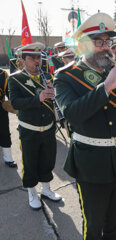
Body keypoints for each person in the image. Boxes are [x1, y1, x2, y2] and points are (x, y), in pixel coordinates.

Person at [54, 13, 116, 239]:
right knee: (93, 227)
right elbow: (72, 114)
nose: (106, 48)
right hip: (91, 164)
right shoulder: (65, 77)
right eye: (99, 42)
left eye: (108, 42)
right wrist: (106, 86)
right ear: (82, 45)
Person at [8, 42, 61, 210]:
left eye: (39, 57)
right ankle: (32, 192)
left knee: (48, 160)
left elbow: (54, 100)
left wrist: (54, 94)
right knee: (30, 163)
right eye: (33, 58)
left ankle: (46, 190)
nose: (37, 61)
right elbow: (15, 103)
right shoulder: (15, 78)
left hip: (48, 128)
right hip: (29, 130)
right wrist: (38, 99)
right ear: (24, 60)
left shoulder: (47, 75)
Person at [0, 69, 17, 168]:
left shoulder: (2, 74)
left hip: (1, 107)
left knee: (4, 132)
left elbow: (9, 92)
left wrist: (15, 105)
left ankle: (8, 158)